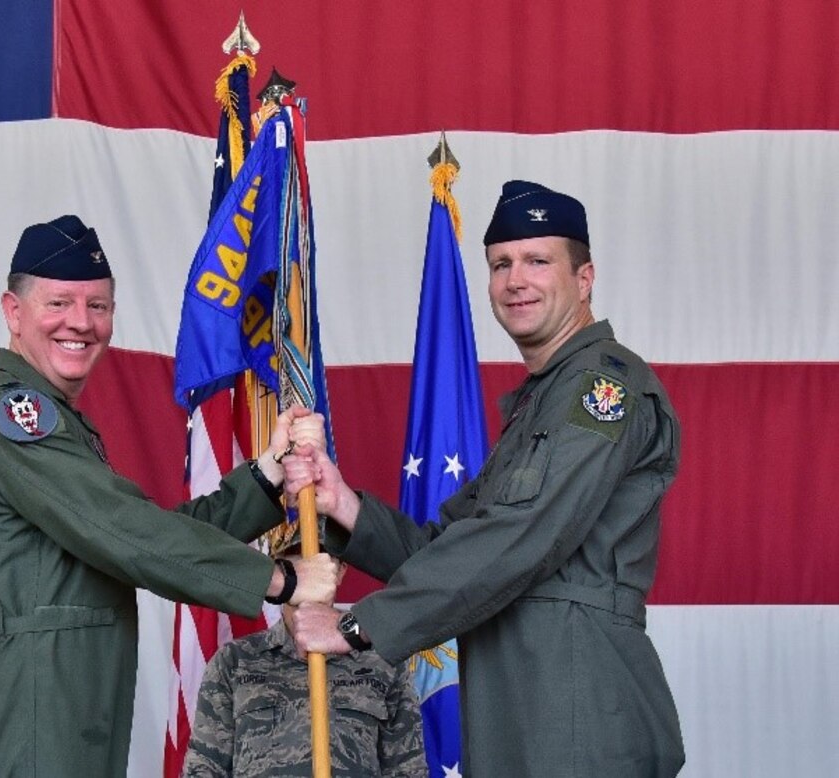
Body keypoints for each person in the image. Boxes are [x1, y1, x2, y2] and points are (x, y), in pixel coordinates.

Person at [284, 181, 686, 776]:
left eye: (537, 260)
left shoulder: (602, 388)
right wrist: (345, 505)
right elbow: (449, 550)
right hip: (523, 704)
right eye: (501, 264)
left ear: (585, 277)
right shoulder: (541, 403)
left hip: (576, 707)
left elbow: (520, 535)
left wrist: (359, 626)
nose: (515, 280)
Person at [0, 215, 336, 777]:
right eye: (59, 303)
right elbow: (129, 535)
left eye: (98, 306)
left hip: (63, 716)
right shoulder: (11, 419)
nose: (81, 322)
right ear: (12, 311)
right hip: (26, 724)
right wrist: (282, 581)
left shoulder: (57, 424)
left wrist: (266, 473)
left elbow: (142, 532)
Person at [181, 520, 425, 778]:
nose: (309, 574)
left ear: (341, 571)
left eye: (320, 562)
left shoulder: (382, 661)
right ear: (278, 571)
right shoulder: (234, 662)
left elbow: (408, 770)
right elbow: (204, 768)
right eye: (296, 562)